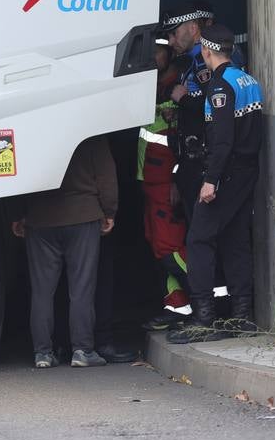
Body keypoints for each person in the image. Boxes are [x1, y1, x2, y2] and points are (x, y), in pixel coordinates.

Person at [167, 24, 263, 344]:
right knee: (235, 239)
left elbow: (222, 142)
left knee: (199, 240)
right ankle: (242, 315)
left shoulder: (220, 87)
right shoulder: (248, 80)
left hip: (227, 173)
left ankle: (203, 317)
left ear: (207, 52)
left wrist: (210, 181)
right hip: (247, 172)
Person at [13, 135, 118, 368]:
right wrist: (109, 211)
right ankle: (82, 350)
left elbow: (16, 174)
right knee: (81, 288)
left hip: (40, 219)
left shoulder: (31, 126)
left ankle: (43, 353)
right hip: (83, 216)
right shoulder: (92, 131)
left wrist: (18, 214)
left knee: (41, 291)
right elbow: (106, 176)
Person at [160, 0, 243, 224]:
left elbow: (217, 105)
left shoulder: (203, 60)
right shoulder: (190, 61)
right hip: (194, 161)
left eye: (174, 33)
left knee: (203, 235)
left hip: (204, 164)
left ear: (193, 28)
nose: (170, 41)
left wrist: (183, 99)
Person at [136, 36, 192, 331]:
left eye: (159, 51)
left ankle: (204, 300)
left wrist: (177, 180)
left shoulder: (176, 85)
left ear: (169, 53)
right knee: (159, 247)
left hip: (166, 181)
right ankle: (178, 306)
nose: (154, 57)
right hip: (150, 180)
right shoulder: (150, 85)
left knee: (170, 248)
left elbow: (184, 138)